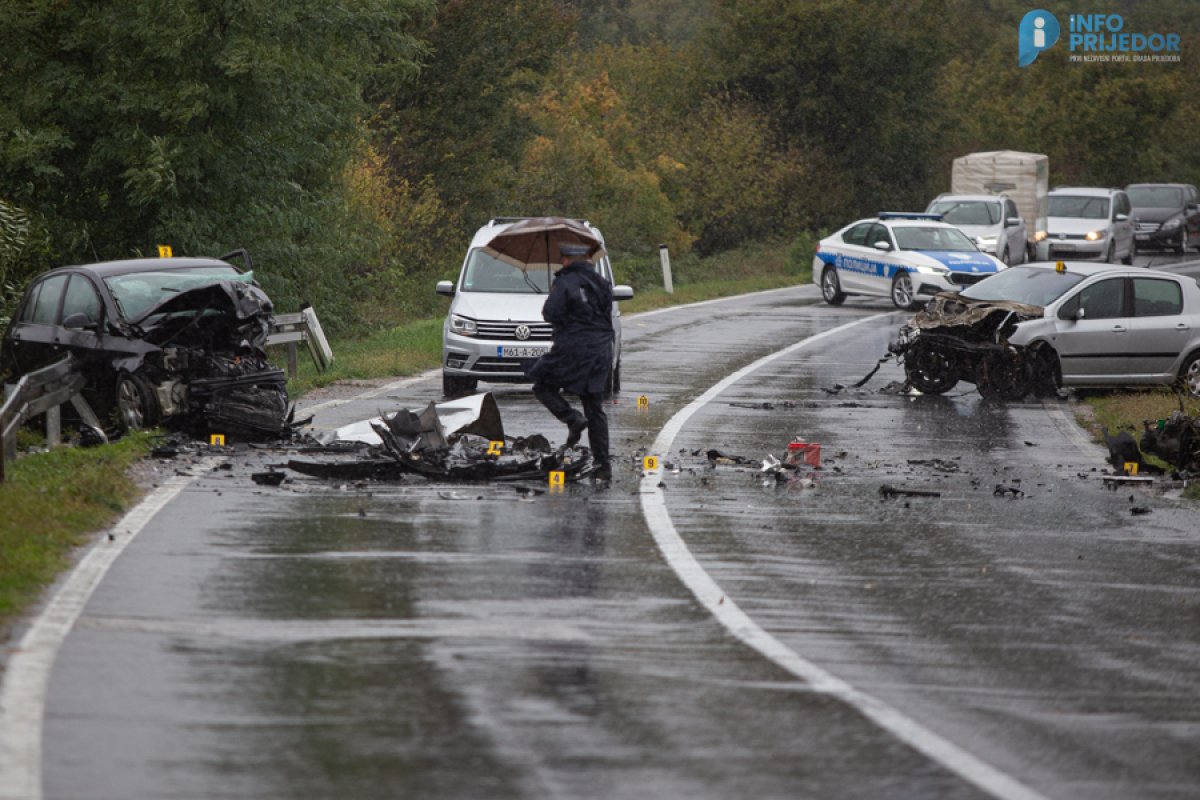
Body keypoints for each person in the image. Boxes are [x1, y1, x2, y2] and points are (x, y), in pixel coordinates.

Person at [527, 241, 614, 481]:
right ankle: (603, 466)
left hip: (572, 349)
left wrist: (555, 293)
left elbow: (550, 314)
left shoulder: (565, 283)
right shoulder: (602, 283)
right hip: (601, 350)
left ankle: (572, 418)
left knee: (542, 385)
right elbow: (605, 313)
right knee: (594, 406)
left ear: (566, 260)